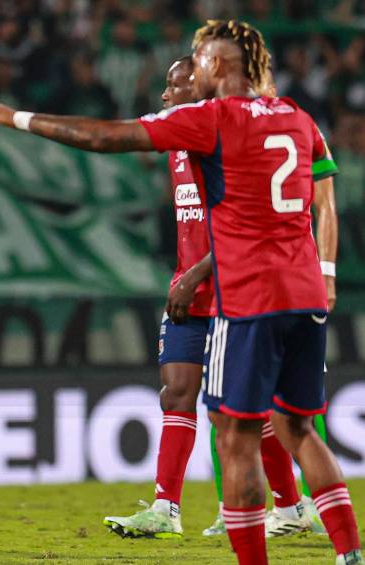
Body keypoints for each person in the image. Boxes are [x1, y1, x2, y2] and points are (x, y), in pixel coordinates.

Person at [0, 19, 361, 565]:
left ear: (217, 66)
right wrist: (328, 272)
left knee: (235, 437)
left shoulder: (212, 119)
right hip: (305, 294)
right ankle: (350, 553)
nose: (189, 74)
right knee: (299, 428)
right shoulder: (297, 117)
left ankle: (262, 535)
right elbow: (301, 205)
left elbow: (103, 138)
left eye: (198, 63)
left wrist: (16, 117)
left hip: (246, 298)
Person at [102, 57, 341, 541]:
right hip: (189, 287)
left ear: (202, 87)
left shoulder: (233, 140)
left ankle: (286, 505)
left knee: (244, 409)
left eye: (174, 86)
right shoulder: (175, 139)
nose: (165, 96)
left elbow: (248, 225)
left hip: (239, 287)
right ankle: (166, 508)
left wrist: (195, 275)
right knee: (176, 391)